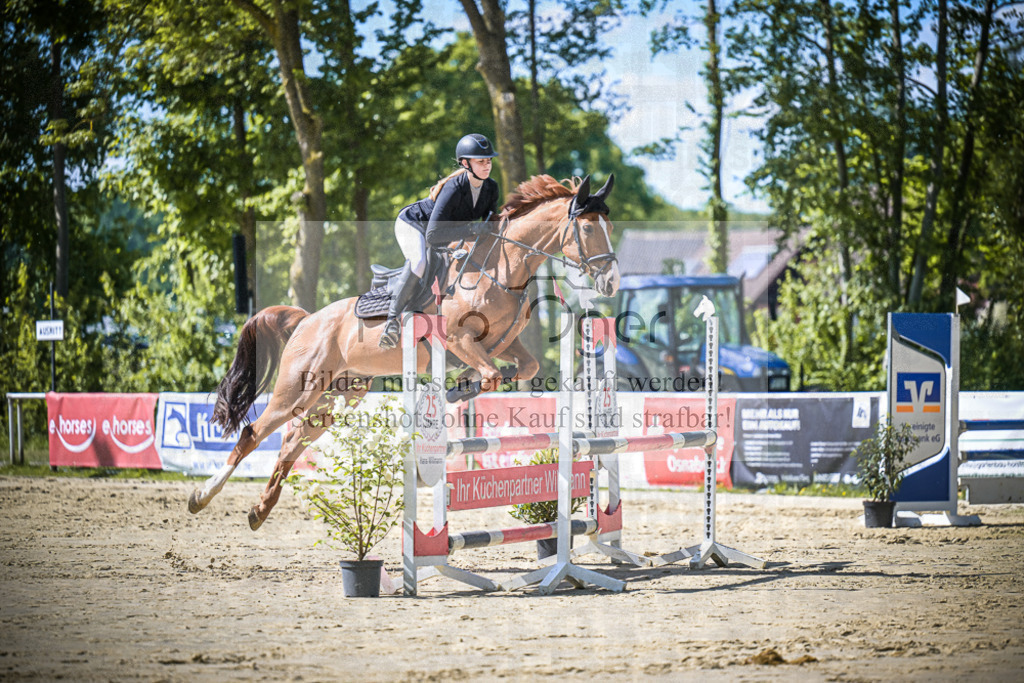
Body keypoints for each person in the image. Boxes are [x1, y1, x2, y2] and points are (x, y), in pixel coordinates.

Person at [378, 133, 500, 348]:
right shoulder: (454, 188)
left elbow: (492, 225)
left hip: (448, 232)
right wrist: (472, 228)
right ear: (465, 163)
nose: (487, 165)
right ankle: (392, 320)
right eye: (480, 161)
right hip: (415, 225)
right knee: (419, 262)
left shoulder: (491, 188)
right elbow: (433, 236)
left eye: (488, 160)